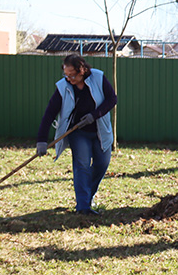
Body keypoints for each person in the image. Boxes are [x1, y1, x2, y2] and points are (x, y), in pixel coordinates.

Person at [36, 54, 117, 215]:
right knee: (82, 166)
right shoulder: (63, 87)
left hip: (100, 130)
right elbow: (50, 113)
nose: (69, 78)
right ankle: (83, 206)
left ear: (83, 70)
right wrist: (41, 140)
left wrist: (94, 115)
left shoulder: (98, 78)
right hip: (77, 133)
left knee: (102, 164)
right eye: (66, 75)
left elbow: (112, 99)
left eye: (72, 75)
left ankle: (89, 195)